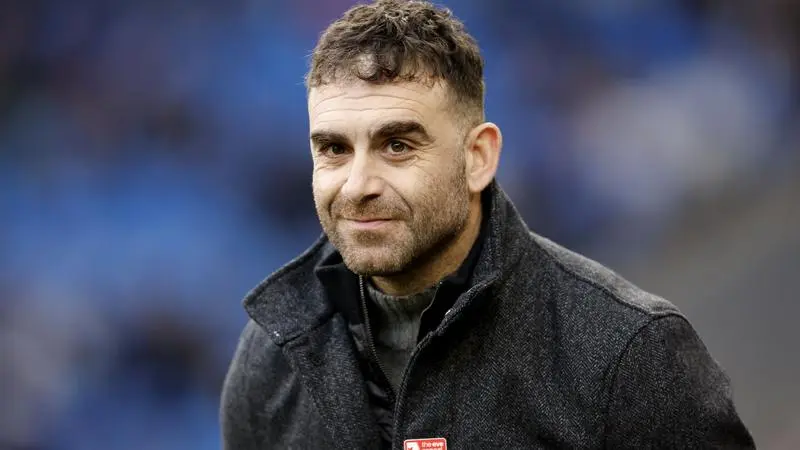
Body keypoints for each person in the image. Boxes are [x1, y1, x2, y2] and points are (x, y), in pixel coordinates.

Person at [220, 1, 755, 448]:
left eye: (398, 145)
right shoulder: (270, 360)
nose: (358, 184)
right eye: (334, 149)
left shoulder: (630, 355)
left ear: (478, 157)